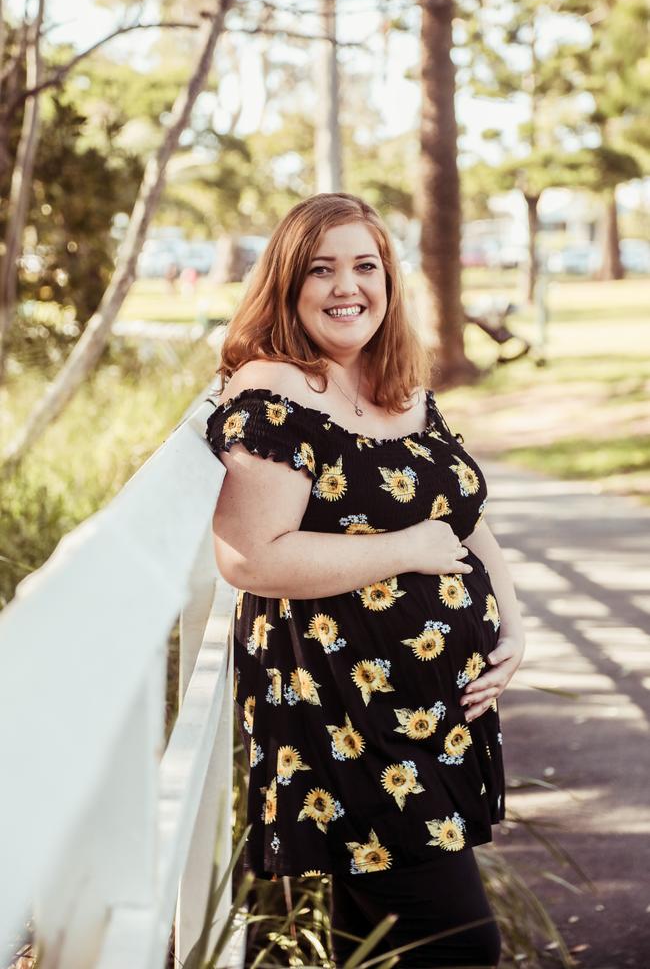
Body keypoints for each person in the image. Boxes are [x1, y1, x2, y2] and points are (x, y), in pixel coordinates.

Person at [204, 192, 526, 967]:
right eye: (321, 269)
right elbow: (250, 555)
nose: (348, 287)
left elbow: (461, 515)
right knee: (460, 946)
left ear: (390, 280)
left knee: (377, 941)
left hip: (435, 713)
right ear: (286, 284)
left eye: (365, 266)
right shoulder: (275, 388)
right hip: (348, 718)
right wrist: (406, 549)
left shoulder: (400, 387)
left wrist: (512, 624)